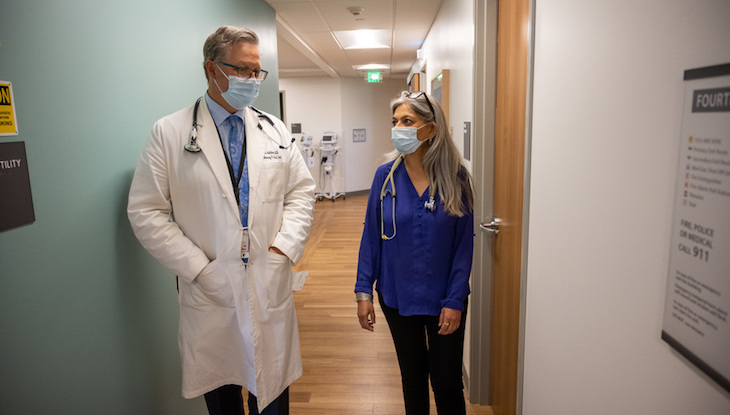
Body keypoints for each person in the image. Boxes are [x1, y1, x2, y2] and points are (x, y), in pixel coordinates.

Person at [127, 26, 315, 415]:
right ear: (212, 69)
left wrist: (283, 249)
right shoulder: (169, 133)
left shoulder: (274, 129)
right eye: (242, 70)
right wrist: (198, 268)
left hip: (268, 275)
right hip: (211, 286)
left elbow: (301, 192)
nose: (252, 80)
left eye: (256, 71)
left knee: (273, 391)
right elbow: (146, 212)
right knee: (223, 392)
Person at [355, 91, 474, 414]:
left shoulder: (456, 178)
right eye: (395, 122)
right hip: (397, 296)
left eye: (407, 121)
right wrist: (363, 292)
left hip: (444, 300)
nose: (398, 129)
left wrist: (454, 300)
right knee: (413, 378)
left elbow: (464, 247)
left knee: (447, 381)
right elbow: (371, 237)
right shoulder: (385, 177)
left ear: (431, 129)